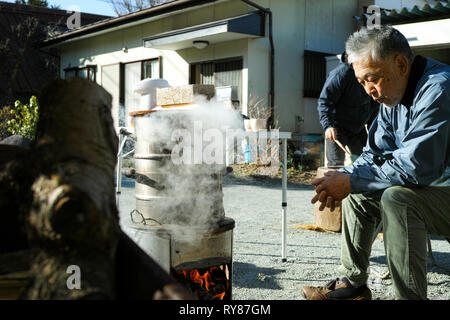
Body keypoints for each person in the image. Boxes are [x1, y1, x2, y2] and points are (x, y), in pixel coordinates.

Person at [303, 25, 450, 300]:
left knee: (397, 198)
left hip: (442, 186)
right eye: (361, 83)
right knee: (358, 194)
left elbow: (417, 165)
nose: (369, 90)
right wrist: (342, 179)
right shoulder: (390, 101)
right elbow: (373, 154)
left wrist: (351, 179)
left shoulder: (439, 89)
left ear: (401, 64)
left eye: (372, 78)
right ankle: (354, 285)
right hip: (434, 187)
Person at [317, 52, 379, 166]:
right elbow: (325, 101)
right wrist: (328, 126)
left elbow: (373, 101)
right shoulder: (340, 75)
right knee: (336, 166)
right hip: (337, 127)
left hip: (358, 129)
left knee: (365, 163)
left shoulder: (368, 73)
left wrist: (372, 124)